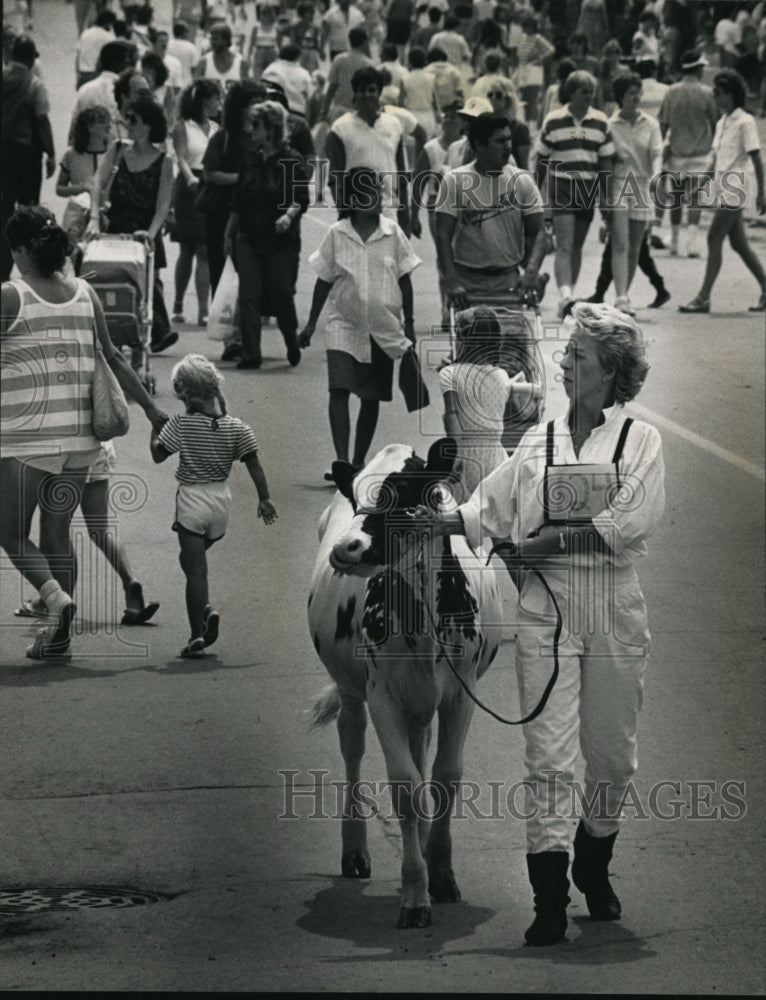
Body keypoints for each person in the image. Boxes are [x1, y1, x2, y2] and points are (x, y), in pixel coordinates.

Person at [414, 301, 665, 948]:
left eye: (578, 357)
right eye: (567, 354)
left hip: (610, 608)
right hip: (544, 612)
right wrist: (439, 521)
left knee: (612, 759)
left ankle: (594, 855)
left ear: (610, 370)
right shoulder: (540, 439)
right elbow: (489, 506)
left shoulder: (640, 441)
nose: (564, 364)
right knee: (548, 759)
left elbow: (627, 523)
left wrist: (547, 543)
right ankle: (548, 898)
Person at [1, 206, 167, 659]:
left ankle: (57, 599)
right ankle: (59, 640)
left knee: (12, 534)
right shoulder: (85, 292)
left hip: (25, 441)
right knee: (56, 535)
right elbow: (114, 358)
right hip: (80, 445)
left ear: (18, 250)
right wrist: (153, 411)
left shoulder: (10, 297)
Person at [150, 353, 277, 658]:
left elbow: (157, 454)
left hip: (192, 501)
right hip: (220, 503)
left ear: (183, 393)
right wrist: (265, 499)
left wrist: (155, 428)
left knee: (196, 572)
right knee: (192, 563)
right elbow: (254, 464)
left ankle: (196, 635)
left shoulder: (180, 425)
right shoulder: (237, 427)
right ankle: (206, 609)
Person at [298, 167, 420, 478]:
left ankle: (357, 461)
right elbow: (324, 280)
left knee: (371, 395)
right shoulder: (337, 234)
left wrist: (409, 324)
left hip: (382, 328)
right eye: (371, 194)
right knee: (339, 389)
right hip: (343, 324)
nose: (378, 199)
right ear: (353, 200)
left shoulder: (392, 233)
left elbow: (405, 281)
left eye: (379, 193)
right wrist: (311, 324)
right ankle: (341, 461)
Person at [16, 440, 162, 627]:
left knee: (54, 531)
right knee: (101, 530)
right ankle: (130, 581)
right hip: (99, 448)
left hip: (69, 449)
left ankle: (55, 601)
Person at [88, 95, 178, 354]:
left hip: (143, 230)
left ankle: (152, 332)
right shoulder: (117, 150)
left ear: (148, 125)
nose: (127, 123)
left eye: (133, 119)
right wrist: (94, 217)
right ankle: (113, 331)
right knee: (113, 282)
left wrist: (150, 233)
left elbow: (163, 205)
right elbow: (97, 182)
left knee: (147, 283)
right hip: (115, 227)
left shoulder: (164, 161)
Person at [223, 100, 310, 369]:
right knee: (249, 294)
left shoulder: (291, 159)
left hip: (279, 237)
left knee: (281, 293)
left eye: (256, 125)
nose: (251, 131)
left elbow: (301, 198)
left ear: (271, 128)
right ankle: (251, 353)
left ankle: (290, 339)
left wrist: (288, 217)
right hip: (248, 235)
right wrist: (228, 234)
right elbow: (238, 199)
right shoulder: (250, 158)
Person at [435, 111, 547, 312]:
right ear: (479, 145)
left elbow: (539, 231)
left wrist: (531, 271)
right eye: (500, 141)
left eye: (508, 140)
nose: (507, 147)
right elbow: (443, 235)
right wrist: (450, 281)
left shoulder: (522, 180)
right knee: (474, 342)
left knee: (514, 342)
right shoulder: (454, 181)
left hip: (508, 280)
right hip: (467, 282)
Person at [679, 69, 766, 314]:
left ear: (731, 94)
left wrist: (762, 193)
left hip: (736, 186)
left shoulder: (745, 121)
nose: (715, 97)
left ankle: (703, 297)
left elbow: (756, 159)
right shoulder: (722, 122)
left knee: (713, 237)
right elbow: (715, 160)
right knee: (739, 244)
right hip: (723, 185)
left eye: (718, 93)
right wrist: (699, 186)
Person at [536, 70, 615, 318]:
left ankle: (568, 295)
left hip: (588, 189)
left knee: (577, 245)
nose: (589, 96)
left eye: (591, 91)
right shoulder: (554, 119)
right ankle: (566, 296)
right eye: (584, 91)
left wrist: (606, 199)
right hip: (562, 187)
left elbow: (605, 164)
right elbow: (541, 157)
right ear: (571, 93)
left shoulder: (601, 121)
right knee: (565, 245)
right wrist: (534, 193)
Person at [200, 79, 266, 356]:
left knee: (251, 277)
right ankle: (231, 338)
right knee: (223, 273)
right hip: (223, 213)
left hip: (255, 216)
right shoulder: (223, 137)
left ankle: (245, 334)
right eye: (253, 103)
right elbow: (209, 173)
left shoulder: (265, 136)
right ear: (239, 107)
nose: (257, 108)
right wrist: (242, 180)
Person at [438, 306, 531, 501]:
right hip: (495, 454)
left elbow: (452, 414)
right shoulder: (501, 376)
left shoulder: (450, 374)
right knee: (496, 513)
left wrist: (454, 453)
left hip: (465, 454)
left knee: (461, 515)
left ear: (462, 340)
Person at [326, 65, 417, 237]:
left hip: (389, 213)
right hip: (356, 217)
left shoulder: (394, 125)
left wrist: (405, 217)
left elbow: (401, 175)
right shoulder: (340, 129)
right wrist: (345, 215)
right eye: (361, 90)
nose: (367, 95)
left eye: (371, 90)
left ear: (379, 92)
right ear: (355, 93)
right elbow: (335, 179)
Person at [607, 71, 663, 316]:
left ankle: (624, 296)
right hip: (619, 184)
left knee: (634, 247)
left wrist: (657, 177)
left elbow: (657, 153)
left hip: (641, 185)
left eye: (638, 92)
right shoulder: (610, 125)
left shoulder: (651, 124)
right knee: (620, 242)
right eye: (631, 93)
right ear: (620, 96)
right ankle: (620, 297)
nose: (637, 97)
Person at [1, 34, 56, 281]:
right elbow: (42, 121)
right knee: (29, 212)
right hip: (27, 156)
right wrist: (51, 153)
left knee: (3, 210)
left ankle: (2, 268)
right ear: (32, 59)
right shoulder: (35, 84)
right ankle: (30, 268)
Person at [658, 48, 718, 258]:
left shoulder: (671, 92)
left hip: (677, 152)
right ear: (698, 68)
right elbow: (714, 122)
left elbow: (663, 125)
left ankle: (674, 241)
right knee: (695, 198)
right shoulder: (707, 93)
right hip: (700, 153)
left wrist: (659, 151)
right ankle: (692, 244)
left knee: (675, 197)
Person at [171, 79, 222, 327]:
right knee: (187, 248)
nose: (219, 103)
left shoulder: (216, 128)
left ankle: (204, 309)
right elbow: (180, 156)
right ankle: (179, 302)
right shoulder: (183, 126)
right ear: (204, 100)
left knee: (205, 248)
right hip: (188, 186)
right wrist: (190, 177)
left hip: (210, 186)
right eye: (216, 98)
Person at [410, 99, 462, 316]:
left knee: (462, 256)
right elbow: (419, 182)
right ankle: (446, 307)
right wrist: (413, 215)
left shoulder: (467, 147)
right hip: (437, 209)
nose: (449, 120)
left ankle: (458, 302)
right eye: (446, 116)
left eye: (454, 117)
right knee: (445, 256)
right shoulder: (431, 149)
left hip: (463, 209)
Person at [56, 105, 113, 245]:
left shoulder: (113, 154)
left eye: (108, 121)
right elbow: (59, 188)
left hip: (107, 214)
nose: (108, 125)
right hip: (77, 212)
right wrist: (81, 188)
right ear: (89, 127)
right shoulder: (71, 154)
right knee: (71, 253)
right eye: (101, 122)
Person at [68, 38, 136, 139]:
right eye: (127, 62)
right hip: (121, 149)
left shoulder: (85, 89)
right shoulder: (128, 90)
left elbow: (75, 125)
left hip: (90, 150)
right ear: (120, 63)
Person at [320, 26, 374, 123]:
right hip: (358, 111)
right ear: (365, 42)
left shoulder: (339, 59)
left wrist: (325, 110)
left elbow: (332, 87)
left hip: (339, 109)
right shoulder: (368, 64)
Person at [513, 15, 555, 124]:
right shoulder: (522, 37)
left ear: (534, 27)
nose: (528, 29)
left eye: (530, 27)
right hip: (522, 70)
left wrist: (539, 59)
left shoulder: (537, 38)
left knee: (532, 100)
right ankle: (526, 124)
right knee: (524, 100)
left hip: (534, 70)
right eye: (526, 26)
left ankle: (533, 126)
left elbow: (551, 49)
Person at [399, 44, 441, 139]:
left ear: (409, 61)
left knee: (413, 150)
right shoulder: (431, 77)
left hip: (411, 116)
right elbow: (436, 102)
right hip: (428, 115)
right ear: (425, 61)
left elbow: (400, 104)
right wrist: (439, 117)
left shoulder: (405, 79)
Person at [261, 42, 314, 117]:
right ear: (297, 57)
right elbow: (310, 96)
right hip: (296, 112)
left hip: (272, 111)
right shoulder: (303, 74)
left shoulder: (270, 69)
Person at [194, 22, 247, 87]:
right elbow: (195, 89)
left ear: (226, 40)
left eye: (215, 39)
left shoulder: (240, 63)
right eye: (211, 39)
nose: (212, 42)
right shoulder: (204, 62)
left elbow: (246, 92)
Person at [75, 7, 117, 89]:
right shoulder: (109, 37)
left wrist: (77, 74)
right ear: (108, 23)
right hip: (99, 75)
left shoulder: (85, 34)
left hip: (84, 73)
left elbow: (78, 56)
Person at [246, 0, 281, 81]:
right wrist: (248, 58)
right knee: (257, 77)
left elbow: (280, 45)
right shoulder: (256, 28)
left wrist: (280, 59)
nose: (264, 16)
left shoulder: (276, 28)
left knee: (271, 77)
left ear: (271, 15)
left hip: (272, 52)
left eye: (266, 14)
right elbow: (251, 44)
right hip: (259, 51)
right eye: (262, 13)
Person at [168, 20, 199, 88]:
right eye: (187, 31)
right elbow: (194, 68)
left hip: (169, 83)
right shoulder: (191, 47)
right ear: (184, 32)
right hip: (186, 84)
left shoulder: (167, 45)